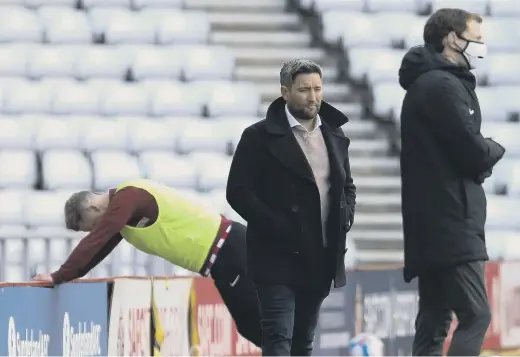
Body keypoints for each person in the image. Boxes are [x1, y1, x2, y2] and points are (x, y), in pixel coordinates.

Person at [226, 58, 356, 356]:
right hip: (276, 257)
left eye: (317, 89)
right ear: (285, 92)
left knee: (303, 341)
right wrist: (278, 227)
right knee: (278, 337)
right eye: (304, 90)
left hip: (320, 255)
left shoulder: (334, 134)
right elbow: (238, 192)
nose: (313, 97)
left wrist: (345, 215)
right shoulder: (257, 137)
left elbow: (347, 185)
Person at [32, 178, 261, 347]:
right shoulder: (122, 218)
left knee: (260, 323)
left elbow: (96, 239)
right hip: (222, 259)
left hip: (231, 250)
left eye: (90, 226)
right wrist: (62, 276)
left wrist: (57, 275)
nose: (93, 230)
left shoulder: (128, 198)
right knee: (255, 325)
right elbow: (97, 251)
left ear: (93, 208)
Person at [397, 8, 506, 356]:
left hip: (435, 221)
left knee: (434, 321)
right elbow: (471, 152)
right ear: (451, 39)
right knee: (476, 315)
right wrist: (494, 148)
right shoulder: (441, 86)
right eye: (476, 39)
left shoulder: (433, 83)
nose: (481, 47)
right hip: (450, 222)